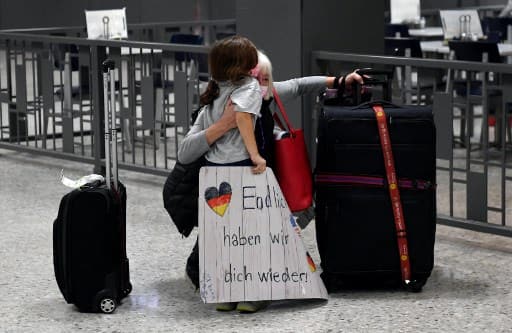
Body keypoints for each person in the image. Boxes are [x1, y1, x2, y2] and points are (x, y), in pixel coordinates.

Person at [178, 48, 364, 313]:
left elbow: (300, 85)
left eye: (266, 80)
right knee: (236, 237)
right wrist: (224, 126)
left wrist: (338, 81)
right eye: (256, 79)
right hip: (230, 183)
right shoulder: (218, 104)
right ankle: (230, 287)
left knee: (257, 237)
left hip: (257, 185)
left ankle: (250, 290)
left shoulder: (266, 95)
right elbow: (186, 152)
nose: (261, 85)